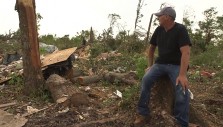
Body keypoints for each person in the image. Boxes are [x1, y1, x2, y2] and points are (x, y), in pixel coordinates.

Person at [134, 7, 191, 127]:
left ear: (167, 17)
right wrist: (150, 66)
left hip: (176, 65)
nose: (158, 18)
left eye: (160, 16)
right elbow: (151, 49)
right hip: (160, 64)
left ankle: (181, 122)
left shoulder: (180, 30)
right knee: (146, 80)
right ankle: (143, 113)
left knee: (182, 89)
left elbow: (186, 52)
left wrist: (182, 75)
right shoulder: (159, 30)